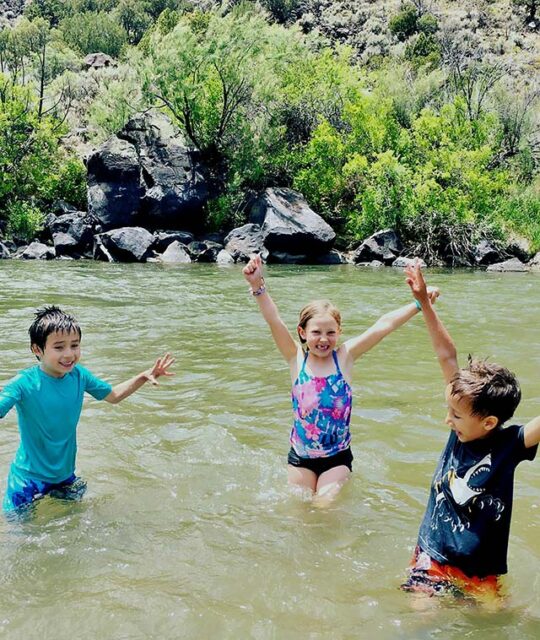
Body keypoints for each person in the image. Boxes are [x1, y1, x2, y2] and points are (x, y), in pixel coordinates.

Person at [242, 254, 439, 504]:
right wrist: (256, 285)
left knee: (322, 506)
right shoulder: (295, 358)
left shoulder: (345, 357)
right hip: (301, 457)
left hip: (337, 458)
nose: (323, 339)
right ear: (302, 333)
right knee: (299, 512)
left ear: (339, 333)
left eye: (330, 332)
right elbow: (274, 320)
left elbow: (383, 325)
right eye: (316, 332)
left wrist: (420, 303)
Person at [402, 260, 539, 600]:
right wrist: (425, 304)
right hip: (432, 555)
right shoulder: (459, 424)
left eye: (456, 417)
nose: (449, 421)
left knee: (495, 622)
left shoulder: (511, 444)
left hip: (481, 571)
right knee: (421, 615)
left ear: (489, 422)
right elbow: (446, 355)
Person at [0, 305, 175, 514]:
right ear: (37, 349)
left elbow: (114, 396)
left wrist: (143, 376)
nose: (69, 354)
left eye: (74, 345)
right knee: (18, 534)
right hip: (28, 478)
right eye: (59, 347)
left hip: (65, 476)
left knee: (74, 526)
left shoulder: (79, 376)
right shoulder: (23, 383)